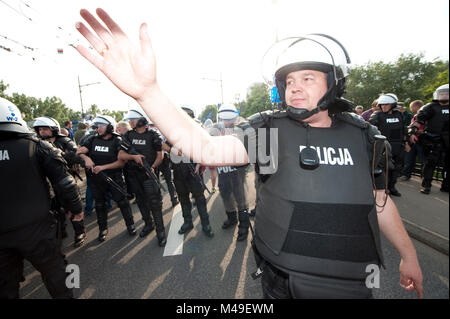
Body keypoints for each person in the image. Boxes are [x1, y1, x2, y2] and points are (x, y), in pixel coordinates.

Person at [75, 10, 423, 299]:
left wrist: (409, 255)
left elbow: (380, 202)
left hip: (353, 282)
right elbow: (205, 147)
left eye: (308, 78)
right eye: (289, 81)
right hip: (282, 278)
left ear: (335, 83)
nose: (296, 87)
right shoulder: (270, 130)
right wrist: (148, 92)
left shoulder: (365, 137)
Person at [0, 97, 84, 298]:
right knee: (56, 275)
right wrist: (76, 208)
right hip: (37, 229)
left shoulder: (45, 144)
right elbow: (65, 184)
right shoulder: (35, 146)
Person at [76, 114, 137, 241]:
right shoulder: (92, 139)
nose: (98, 128)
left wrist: (103, 167)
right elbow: (79, 152)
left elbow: (121, 162)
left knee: (123, 202)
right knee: (99, 204)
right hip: (97, 180)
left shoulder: (118, 140)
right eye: (97, 126)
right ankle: (103, 229)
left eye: (102, 126)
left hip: (114, 177)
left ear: (110, 127)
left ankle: (130, 225)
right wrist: (86, 158)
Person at [32, 116, 87, 247]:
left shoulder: (64, 140)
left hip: (66, 183)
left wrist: (58, 155)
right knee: (56, 212)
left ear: (53, 129)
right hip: (48, 186)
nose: (42, 132)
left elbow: (76, 155)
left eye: (45, 129)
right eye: (40, 129)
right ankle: (60, 233)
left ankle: (80, 232)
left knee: (74, 210)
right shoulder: (36, 144)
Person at [118, 108, 167, 245]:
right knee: (140, 201)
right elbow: (121, 155)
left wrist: (152, 167)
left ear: (142, 120)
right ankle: (148, 224)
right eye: (130, 120)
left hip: (149, 174)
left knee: (155, 204)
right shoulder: (128, 135)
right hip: (134, 174)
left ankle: (161, 232)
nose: (131, 122)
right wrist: (133, 156)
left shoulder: (153, 135)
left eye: (133, 120)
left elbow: (160, 155)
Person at [167, 107, 214, 238]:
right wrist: (174, 148)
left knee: (199, 199)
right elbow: (163, 145)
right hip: (178, 171)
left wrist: (199, 162)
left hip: (193, 171)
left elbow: (206, 150)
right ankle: (188, 222)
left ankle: (206, 225)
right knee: (183, 199)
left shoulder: (198, 132)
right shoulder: (173, 132)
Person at [208, 104, 250, 241]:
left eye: (230, 119)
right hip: (223, 168)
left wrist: (235, 137)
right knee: (225, 193)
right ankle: (232, 217)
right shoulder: (214, 128)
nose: (227, 122)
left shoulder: (242, 126)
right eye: (224, 119)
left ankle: (244, 225)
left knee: (240, 196)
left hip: (237, 169)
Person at [409, 84, 449, 194]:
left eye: (446, 93)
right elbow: (418, 120)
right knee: (430, 164)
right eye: (442, 93)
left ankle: (446, 185)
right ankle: (426, 185)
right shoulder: (430, 107)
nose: (444, 95)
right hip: (433, 140)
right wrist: (412, 132)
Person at [369, 94, 408, 197]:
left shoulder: (399, 115)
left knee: (397, 167)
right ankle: (384, 188)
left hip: (398, 145)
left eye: (386, 104)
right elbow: (370, 128)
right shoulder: (377, 115)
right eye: (382, 105)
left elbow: (404, 129)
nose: (383, 107)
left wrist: (407, 142)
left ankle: (392, 187)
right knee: (385, 167)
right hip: (385, 145)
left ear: (393, 105)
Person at [401, 100, 425, 181]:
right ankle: (406, 175)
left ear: (417, 107)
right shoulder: (414, 116)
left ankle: (424, 177)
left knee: (423, 161)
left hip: (422, 141)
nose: (411, 109)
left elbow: (424, 129)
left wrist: (417, 131)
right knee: (409, 159)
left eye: (412, 107)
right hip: (412, 141)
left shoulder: (426, 116)